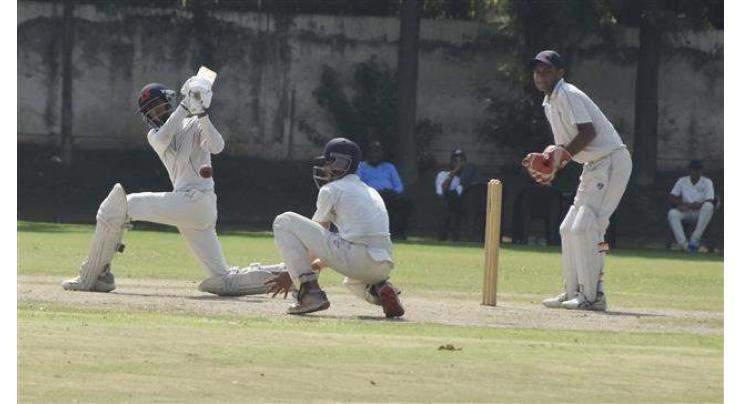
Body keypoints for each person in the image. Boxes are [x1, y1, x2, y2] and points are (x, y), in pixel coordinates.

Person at [61, 77, 277, 296]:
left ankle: (93, 276)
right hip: (190, 207)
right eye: (151, 110)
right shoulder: (154, 135)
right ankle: (288, 275)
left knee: (117, 207)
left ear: (168, 104)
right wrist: (186, 105)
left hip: (196, 201)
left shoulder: (194, 124)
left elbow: (217, 146)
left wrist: (201, 113)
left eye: (159, 106)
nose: (156, 113)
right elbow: (165, 137)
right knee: (222, 277)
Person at [523, 50, 632, 311]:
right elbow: (566, 144)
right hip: (593, 166)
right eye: (537, 71)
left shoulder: (568, 93)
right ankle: (572, 291)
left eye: (546, 70)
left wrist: (564, 155)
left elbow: (588, 132)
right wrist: (551, 156)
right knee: (568, 228)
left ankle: (594, 295)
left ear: (560, 72)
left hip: (612, 162)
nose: (540, 75)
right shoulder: (549, 102)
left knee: (589, 227)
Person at [264, 137, 404, 317]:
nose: (325, 168)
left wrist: (293, 273)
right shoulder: (371, 191)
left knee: (284, 220)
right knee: (353, 282)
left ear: (341, 163)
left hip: (355, 257)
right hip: (383, 265)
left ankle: (309, 292)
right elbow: (337, 247)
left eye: (328, 162)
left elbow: (316, 244)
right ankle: (380, 290)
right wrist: (313, 265)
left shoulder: (330, 190)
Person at [357, 141, 411, 240]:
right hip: (370, 196)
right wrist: (375, 191)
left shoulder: (389, 167)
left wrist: (394, 192)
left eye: (378, 152)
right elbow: (358, 184)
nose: (375, 155)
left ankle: (398, 233)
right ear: (367, 153)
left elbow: (399, 186)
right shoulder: (361, 167)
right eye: (372, 152)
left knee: (405, 203)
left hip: (389, 194)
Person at [667, 160, 715, 252]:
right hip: (686, 211)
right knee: (672, 213)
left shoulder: (707, 182)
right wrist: (679, 205)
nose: (696, 173)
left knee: (709, 206)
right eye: (694, 170)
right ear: (690, 170)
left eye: (698, 170)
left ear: (701, 171)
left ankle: (694, 240)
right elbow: (672, 197)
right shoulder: (682, 181)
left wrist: (699, 204)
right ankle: (684, 244)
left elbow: (710, 199)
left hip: (701, 213)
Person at [434, 148, 478, 241]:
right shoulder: (443, 174)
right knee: (450, 200)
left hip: (465, 202)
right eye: (456, 161)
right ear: (451, 162)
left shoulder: (467, 176)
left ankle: (470, 236)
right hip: (448, 202)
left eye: (461, 161)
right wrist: (454, 172)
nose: (459, 164)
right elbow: (442, 192)